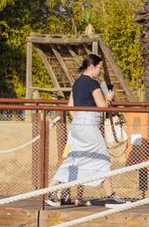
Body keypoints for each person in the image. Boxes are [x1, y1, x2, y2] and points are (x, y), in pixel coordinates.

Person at [47, 54, 129, 207]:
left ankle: (50, 191)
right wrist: (109, 97)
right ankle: (110, 196)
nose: (100, 71)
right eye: (99, 68)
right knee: (103, 157)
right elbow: (102, 106)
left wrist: (79, 118)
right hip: (90, 125)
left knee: (73, 159)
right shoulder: (93, 83)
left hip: (77, 124)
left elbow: (70, 107)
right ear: (92, 67)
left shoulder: (76, 83)